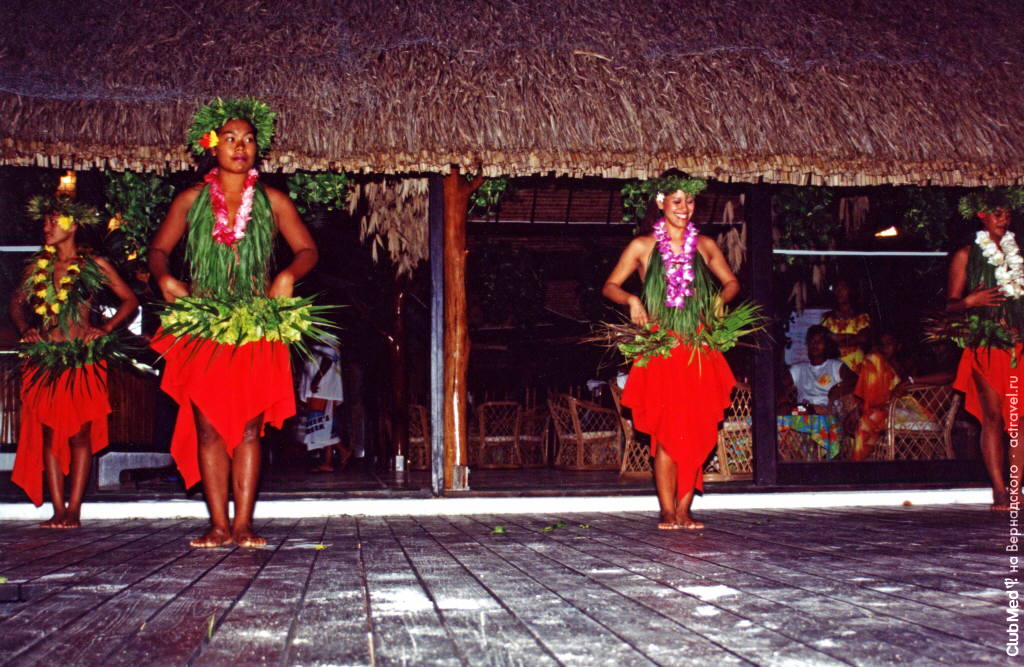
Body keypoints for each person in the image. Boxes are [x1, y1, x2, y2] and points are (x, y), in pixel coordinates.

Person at [149, 99, 318, 547]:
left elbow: (307, 250)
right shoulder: (190, 201)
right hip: (205, 323)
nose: (240, 146)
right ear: (212, 146)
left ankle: (242, 524)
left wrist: (287, 275)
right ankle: (218, 525)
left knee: (247, 427)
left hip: (255, 324)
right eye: (230, 138)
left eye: (248, 139)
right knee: (207, 426)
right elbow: (158, 250)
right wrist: (164, 277)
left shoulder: (272, 201)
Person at [603, 175, 739, 530]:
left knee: (696, 430)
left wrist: (717, 301)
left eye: (689, 201)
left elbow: (731, 282)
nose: (684, 208)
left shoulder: (704, 245)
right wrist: (632, 300)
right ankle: (667, 510)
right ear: (660, 202)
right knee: (666, 432)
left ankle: (684, 510)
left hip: (697, 348)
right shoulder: (643, 246)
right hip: (662, 349)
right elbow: (610, 285)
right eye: (677, 201)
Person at [10, 195, 138, 527]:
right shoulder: (38, 266)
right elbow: (16, 303)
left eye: (54, 221)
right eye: (45, 221)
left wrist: (105, 328)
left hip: (82, 358)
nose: (46, 227)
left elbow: (129, 300)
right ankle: (57, 509)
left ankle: (75, 509)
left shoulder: (93, 264)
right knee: (50, 433)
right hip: (46, 360)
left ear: (73, 225)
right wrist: (26, 329)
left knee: (80, 435)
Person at [947, 188, 1024, 511]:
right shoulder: (966, 254)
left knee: (1019, 420)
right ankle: (999, 490)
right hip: (985, 346)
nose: (1004, 219)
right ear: (982, 215)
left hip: (1017, 347)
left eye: (1008, 214)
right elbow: (950, 305)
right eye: (997, 213)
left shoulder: (1019, 256)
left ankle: (1016, 489)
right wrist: (970, 301)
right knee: (992, 417)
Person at [298, 341, 350, 472]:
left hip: (322, 389)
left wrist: (316, 380)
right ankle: (328, 462)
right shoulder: (319, 339)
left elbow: (328, 359)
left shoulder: (326, 338)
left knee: (320, 423)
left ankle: (342, 450)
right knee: (324, 426)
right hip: (322, 390)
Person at [820, 279, 871, 371]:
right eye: (837, 288)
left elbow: (863, 338)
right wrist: (852, 337)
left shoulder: (861, 317)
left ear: (851, 290)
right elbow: (823, 341)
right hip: (834, 367)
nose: (839, 291)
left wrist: (836, 338)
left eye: (843, 287)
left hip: (857, 366)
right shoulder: (826, 318)